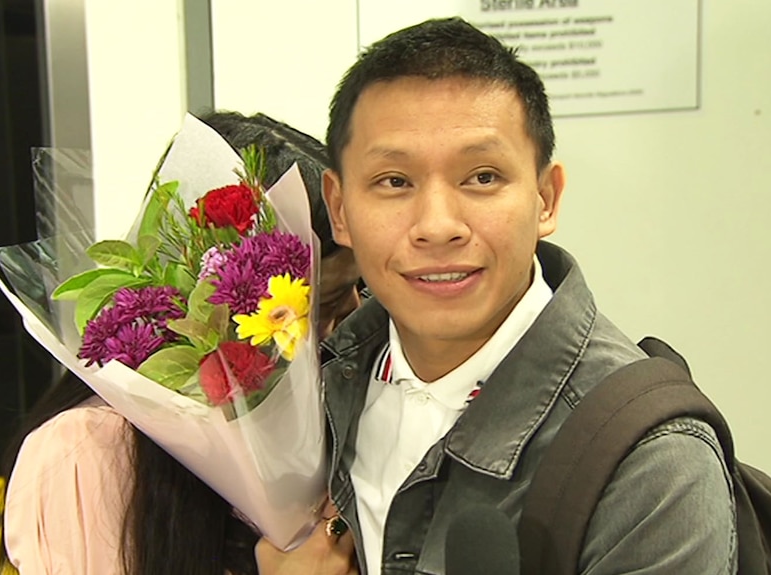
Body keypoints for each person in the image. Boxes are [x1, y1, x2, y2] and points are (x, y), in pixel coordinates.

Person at [260, 17, 737, 574]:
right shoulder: (320, 383)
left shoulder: (651, 462)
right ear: (339, 209)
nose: (437, 226)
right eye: (394, 181)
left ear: (545, 199)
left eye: (482, 177)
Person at [1, 111, 362, 575]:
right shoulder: (86, 451)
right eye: (327, 302)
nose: (353, 315)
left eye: (362, 290)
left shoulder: (341, 412)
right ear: (224, 298)